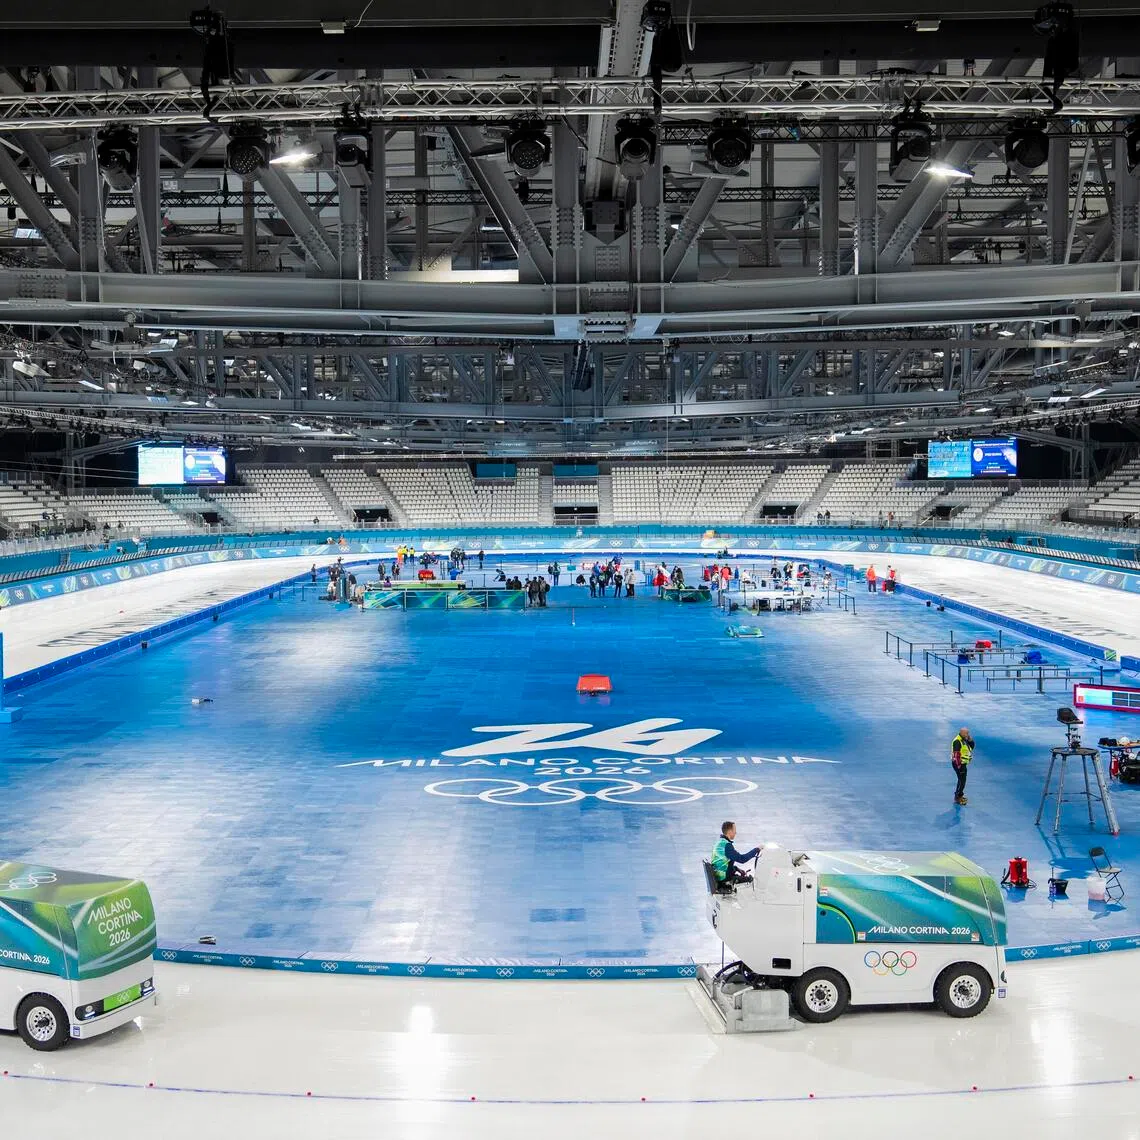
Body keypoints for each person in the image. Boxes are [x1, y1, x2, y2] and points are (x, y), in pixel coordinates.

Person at [711, 821, 761, 887]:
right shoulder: (727, 845)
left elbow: (723, 864)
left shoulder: (720, 842)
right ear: (729, 831)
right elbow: (742, 859)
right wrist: (757, 849)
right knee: (751, 881)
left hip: (719, 875)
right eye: (734, 830)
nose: (736, 832)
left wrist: (737, 869)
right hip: (724, 878)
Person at [952, 727, 975, 805]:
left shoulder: (964, 739)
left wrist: (970, 740)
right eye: (966, 733)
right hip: (959, 764)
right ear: (961, 733)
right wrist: (959, 767)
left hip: (963, 764)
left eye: (968, 733)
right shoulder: (957, 741)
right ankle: (958, 797)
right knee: (962, 780)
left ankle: (959, 795)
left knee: (962, 780)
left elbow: (971, 747)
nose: (968, 734)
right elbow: (956, 755)